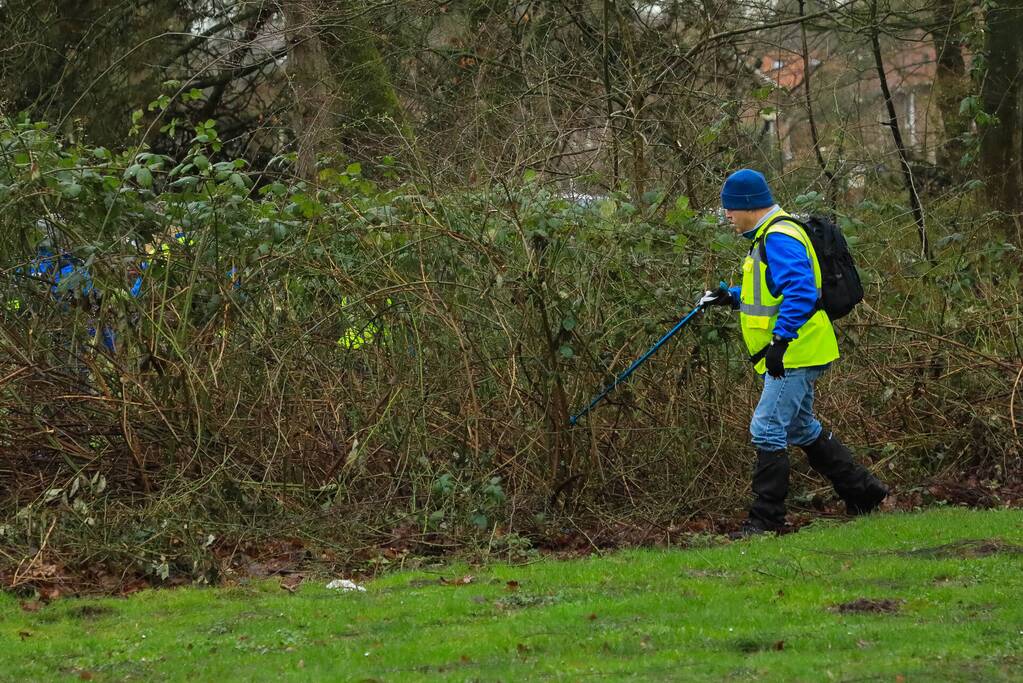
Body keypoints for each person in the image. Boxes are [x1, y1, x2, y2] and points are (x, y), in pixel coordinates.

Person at [703, 168, 888, 536]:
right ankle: (864, 492)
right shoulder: (770, 235)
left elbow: (801, 291)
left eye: (730, 208)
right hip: (800, 349)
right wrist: (730, 297)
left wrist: (780, 342)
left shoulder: (778, 236)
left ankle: (766, 520)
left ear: (749, 205)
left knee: (766, 428)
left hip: (795, 352)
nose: (727, 215)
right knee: (801, 427)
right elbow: (770, 293)